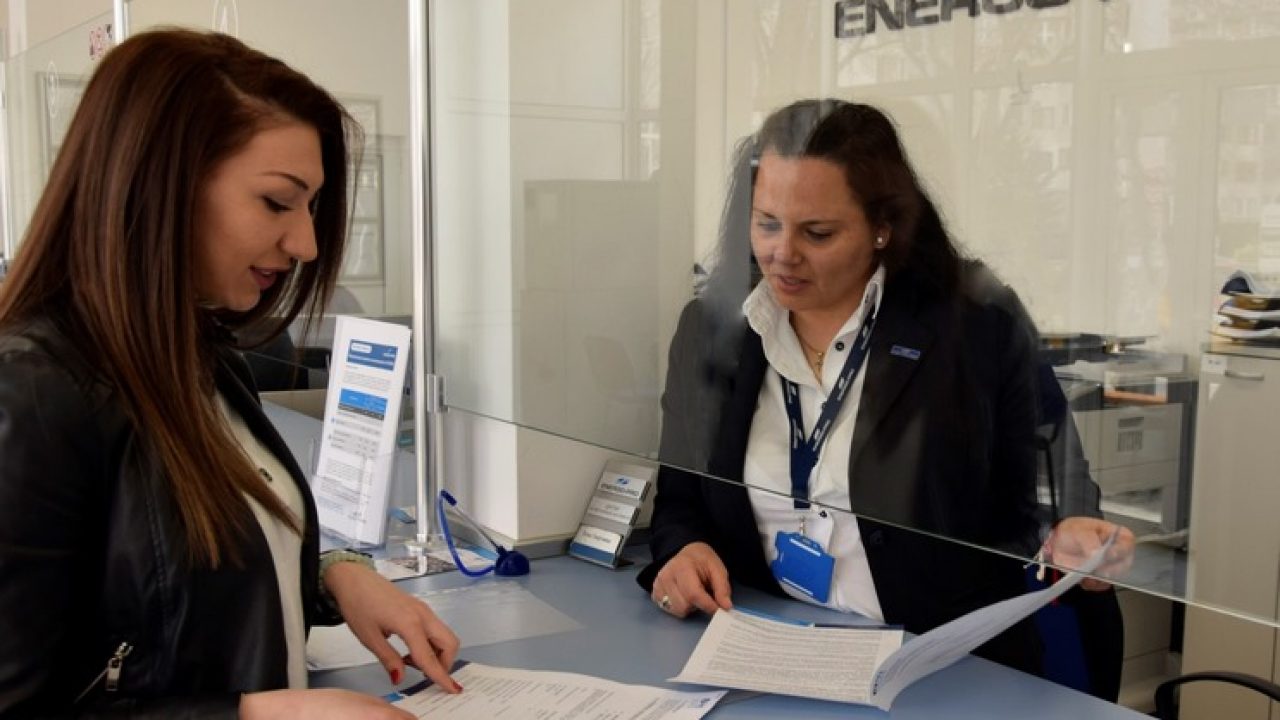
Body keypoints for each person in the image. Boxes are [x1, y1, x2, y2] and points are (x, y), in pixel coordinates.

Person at [0, 30, 459, 717]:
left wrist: (336, 578)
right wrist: (253, 715)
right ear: (160, 185)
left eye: (310, 207)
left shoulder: (202, 357)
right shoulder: (32, 395)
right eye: (277, 202)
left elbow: (180, 581)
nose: (306, 244)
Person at [638, 99, 1134, 677]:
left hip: (936, 667)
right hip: (772, 652)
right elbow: (680, 501)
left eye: (818, 233)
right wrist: (683, 549)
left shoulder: (975, 331)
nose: (783, 254)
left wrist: (1070, 533)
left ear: (882, 227)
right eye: (766, 223)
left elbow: (1049, 484)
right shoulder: (711, 332)